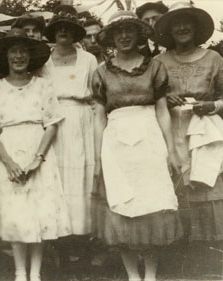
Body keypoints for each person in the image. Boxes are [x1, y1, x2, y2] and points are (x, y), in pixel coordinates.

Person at [92, 11, 182, 281]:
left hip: (149, 140)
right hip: (116, 142)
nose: (124, 36)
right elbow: (98, 117)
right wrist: (98, 157)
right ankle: (132, 275)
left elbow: (163, 111)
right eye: (118, 32)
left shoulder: (154, 67)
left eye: (129, 30)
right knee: (123, 204)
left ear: (139, 34)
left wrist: (171, 149)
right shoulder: (101, 72)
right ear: (110, 37)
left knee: (152, 203)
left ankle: (151, 274)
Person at [0, 28, 71, 281]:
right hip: (7, 149)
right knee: (16, 213)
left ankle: (35, 272)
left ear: (30, 56)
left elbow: (51, 124)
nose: (19, 56)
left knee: (39, 211)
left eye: (23, 51)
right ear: (6, 56)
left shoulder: (43, 86)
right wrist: (8, 162)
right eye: (14, 51)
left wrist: (38, 158)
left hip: (39, 149)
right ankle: (20, 271)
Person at [154, 2, 223, 276]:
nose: (181, 28)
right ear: (169, 30)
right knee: (175, 187)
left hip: (205, 132)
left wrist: (214, 106)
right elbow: (146, 98)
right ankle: (176, 257)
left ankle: (209, 259)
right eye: (175, 24)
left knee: (208, 187)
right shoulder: (159, 62)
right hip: (170, 132)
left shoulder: (214, 60)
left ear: (195, 27)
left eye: (187, 22)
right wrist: (162, 97)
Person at [40, 5, 97, 274]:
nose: (63, 32)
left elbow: (97, 95)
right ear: (53, 32)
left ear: (75, 31)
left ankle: (84, 253)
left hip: (82, 121)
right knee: (58, 182)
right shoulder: (43, 60)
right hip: (54, 125)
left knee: (82, 182)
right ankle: (61, 255)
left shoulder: (88, 59)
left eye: (68, 28)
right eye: (58, 28)